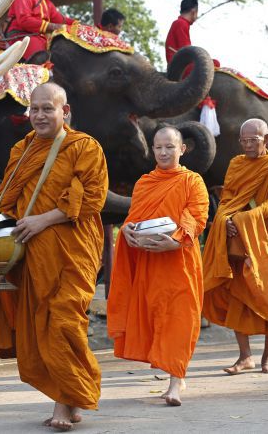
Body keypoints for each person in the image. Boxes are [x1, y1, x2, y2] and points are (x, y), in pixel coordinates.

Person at [0, 82, 108, 431]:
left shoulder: (84, 146)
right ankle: (70, 396)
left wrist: (44, 219)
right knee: (41, 326)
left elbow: (93, 199)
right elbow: (5, 201)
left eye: (47, 109)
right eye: (34, 109)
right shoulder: (22, 150)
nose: (39, 115)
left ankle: (64, 401)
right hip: (34, 255)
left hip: (72, 250)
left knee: (64, 322)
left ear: (64, 112)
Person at [107, 126, 208, 407]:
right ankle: (177, 371)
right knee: (157, 318)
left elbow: (196, 215)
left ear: (182, 149)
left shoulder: (192, 181)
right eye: (158, 147)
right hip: (150, 262)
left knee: (180, 318)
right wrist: (126, 229)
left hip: (180, 260)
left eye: (170, 147)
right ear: (152, 150)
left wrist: (176, 242)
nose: (164, 152)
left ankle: (176, 381)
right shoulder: (145, 183)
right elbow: (135, 217)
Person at [201, 118, 268, 374]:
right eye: (244, 140)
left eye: (253, 140)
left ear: (266, 139)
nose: (248, 145)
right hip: (240, 241)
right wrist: (226, 221)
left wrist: (244, 220)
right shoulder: (236, 163)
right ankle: (245, 357)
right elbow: (228, 198)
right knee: (238, 294)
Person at [5, 0, 75, 60]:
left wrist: (80, 26)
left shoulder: (47, 3)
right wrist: (52, 26)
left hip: (40, 39)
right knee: (40, 53)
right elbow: (24, 20)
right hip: (21, 37)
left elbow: (61, 20)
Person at [165, 0, 198, 64]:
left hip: (181, 63)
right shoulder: (181, 23)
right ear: (193, 12)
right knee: (214, 63)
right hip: (179, 66)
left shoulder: (180, 23)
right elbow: (186, 50)